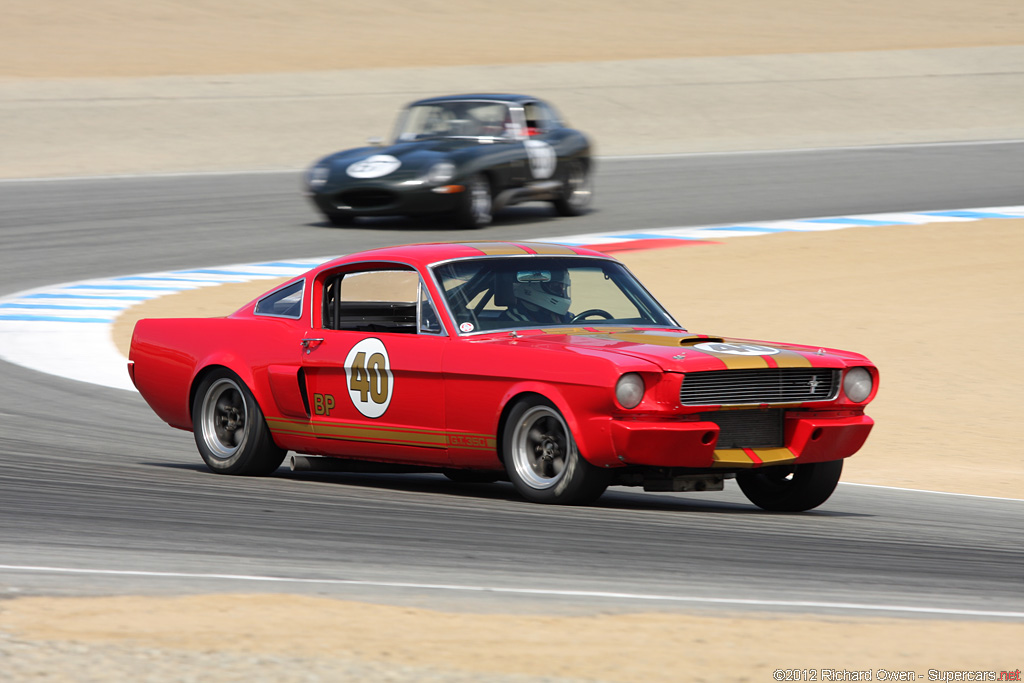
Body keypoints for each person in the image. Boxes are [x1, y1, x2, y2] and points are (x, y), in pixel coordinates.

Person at [504, 269, 572, 324]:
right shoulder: (513, 319)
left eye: (562, 287)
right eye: (556, 286)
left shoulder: (555, 313)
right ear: (531, 285)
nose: (562, 293)